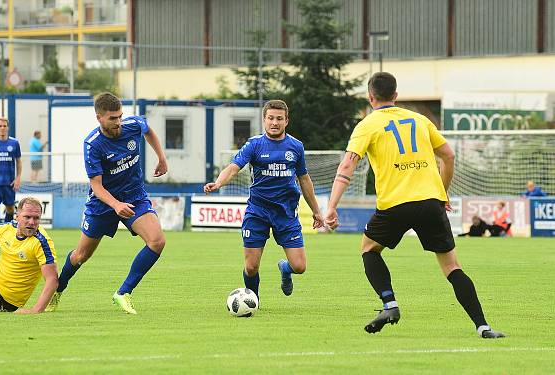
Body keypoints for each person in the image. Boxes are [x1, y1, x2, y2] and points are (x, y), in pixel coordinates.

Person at [323, 72, 504, 339]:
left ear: (370, 97)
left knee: (369, 249)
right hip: (430, 202)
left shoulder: (367, 125)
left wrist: (332, 206)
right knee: (452, 267)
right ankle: (483, 326)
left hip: (395, 204)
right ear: (396, 96)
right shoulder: (421, 120)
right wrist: (442, 193)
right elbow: (449, 156)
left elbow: (348, 164)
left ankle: (390, 304)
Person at [46, 92, 168, 314]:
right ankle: (58, 288)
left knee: (157, 241)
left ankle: (123, 292)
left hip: (134, 196)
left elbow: (148, 130)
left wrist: (161, 157)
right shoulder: (93, 144)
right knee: (80, 256)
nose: (118, 122)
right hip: (102, 205)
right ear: (99, 118)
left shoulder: (133, 125)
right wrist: (115, 205)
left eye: (120, 116)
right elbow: (97, 187)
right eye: (113, 118)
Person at [203, 100, 323, 300]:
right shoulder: (254, 144)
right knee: (251, 267)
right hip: (258, 211)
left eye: (279, 119)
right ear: (264, 120)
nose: (274, 123)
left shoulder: (296, 147)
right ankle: (253, 300)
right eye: (270, 118)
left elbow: (304, 179)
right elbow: (233, 167)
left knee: (299, 267)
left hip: (285, 213)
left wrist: (316, 211)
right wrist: (218, 183)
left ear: (286, 121)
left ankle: (285, 269)